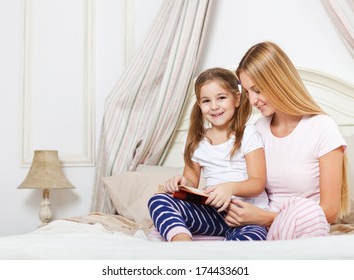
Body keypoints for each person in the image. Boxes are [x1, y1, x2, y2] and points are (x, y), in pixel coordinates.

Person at [225, 41, 350, 240]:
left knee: (305, 209)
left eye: (257, 90)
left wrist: (264, 218)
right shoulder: (257, 129)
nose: (252, 101)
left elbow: (330, 212)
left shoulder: (322, 127)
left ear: (278, 82)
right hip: (260, 230)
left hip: (306, 230)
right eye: (247, 92)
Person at [148, 67, 269, 242]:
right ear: (199, 105)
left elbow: (257, 183)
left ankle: (224, 256)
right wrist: (180, 183)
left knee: (253, 237)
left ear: (236, 99)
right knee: (158, 200)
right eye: (206, 101)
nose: (214, 107)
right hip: (213, 214)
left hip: (245, 214)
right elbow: (191, 181)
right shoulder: (196, 141)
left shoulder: (248, 134)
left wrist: (229, 188)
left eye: (221, 98)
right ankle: (183, 245)